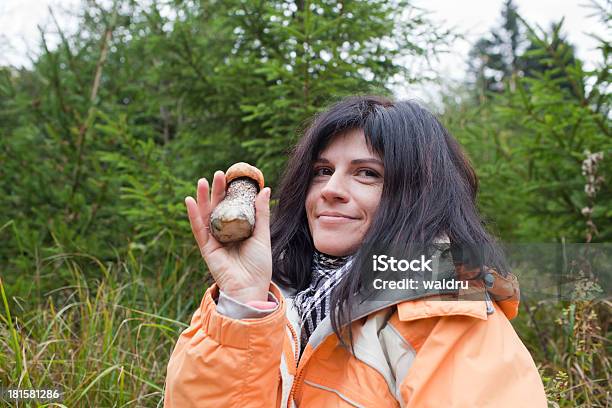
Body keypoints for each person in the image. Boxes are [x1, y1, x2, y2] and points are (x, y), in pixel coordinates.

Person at [163, 95, 548, 407]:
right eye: (322, 170)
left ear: (418, 194)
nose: (331, 189)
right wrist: (242, 304)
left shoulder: (447, 314)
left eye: (367, 173)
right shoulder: (267, 302)